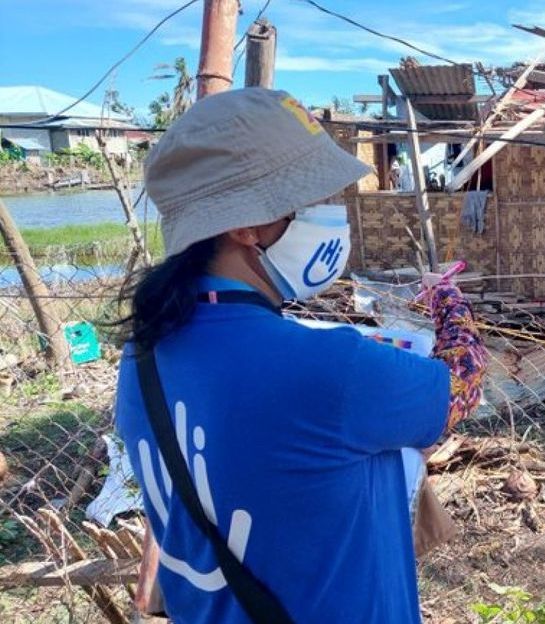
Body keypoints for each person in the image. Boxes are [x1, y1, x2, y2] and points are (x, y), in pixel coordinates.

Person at [114, 88, 486, 623]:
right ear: (244, 225)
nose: (331, 214)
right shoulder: (331, 367)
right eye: (308, 200)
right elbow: (460, 382)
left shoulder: (142, 355)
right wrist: (450, 302)